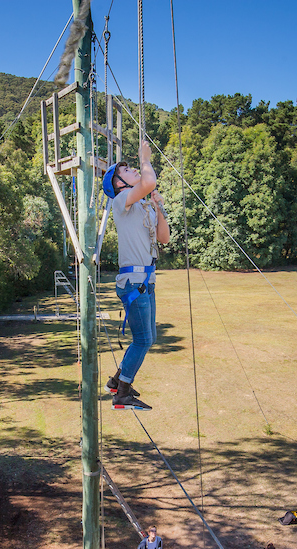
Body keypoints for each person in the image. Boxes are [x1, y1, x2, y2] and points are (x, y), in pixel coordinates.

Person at [102, 139, 171, 410]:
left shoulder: (142, 207)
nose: (134, 170)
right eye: (128, 170)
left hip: (145, 282)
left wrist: (158, 207)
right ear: (119, 184)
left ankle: (117, 380)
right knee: (144, 339)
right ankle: (122, 393)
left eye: (134, 167)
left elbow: (163, 238)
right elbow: (148, 181)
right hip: (134, 282)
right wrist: (145, 158)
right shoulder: (121, 201)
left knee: (147, 338)